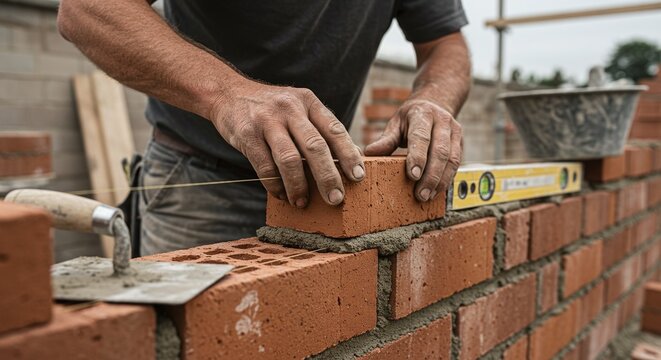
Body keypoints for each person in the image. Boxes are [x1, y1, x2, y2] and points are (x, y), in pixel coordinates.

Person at [57, 0, 472, 255]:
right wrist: (228, 95)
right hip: (201, 179)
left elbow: (444, 44)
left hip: (323, 190)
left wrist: (432, 97)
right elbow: (85, 8)